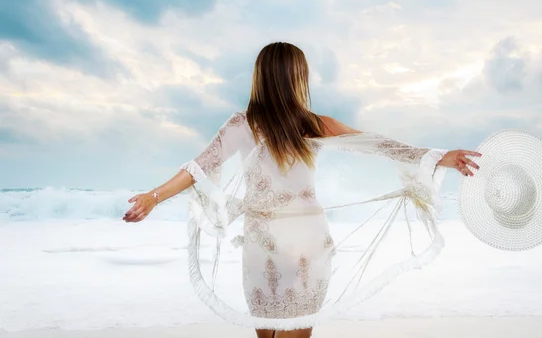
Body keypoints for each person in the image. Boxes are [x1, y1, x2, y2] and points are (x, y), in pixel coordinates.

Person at [123, 42, 481, 338]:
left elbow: (197, 168)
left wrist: (153, 197)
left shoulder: (243, 125)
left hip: (262, 242)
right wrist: (437, 158)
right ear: (298, 77)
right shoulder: (314, 124)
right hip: (307, 240)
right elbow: (379, 145)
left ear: (259, 78)